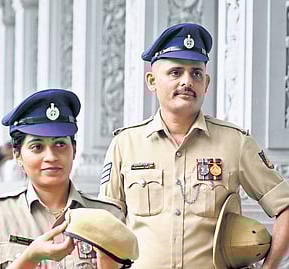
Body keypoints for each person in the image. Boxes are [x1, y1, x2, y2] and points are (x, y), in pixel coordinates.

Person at [98, 22, 289, 269]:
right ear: (152, 80)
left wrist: (270, 267)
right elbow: (104, 228)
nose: (187, 81)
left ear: (206, 83)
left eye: (196, 73)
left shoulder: (235, 143)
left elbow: (284, 207)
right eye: (176, 72)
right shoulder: (125, 144)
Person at [0, 89, 127, 268]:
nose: (51, 156)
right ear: (17, 155)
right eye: (37, 147)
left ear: (74, 150)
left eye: (60, 144)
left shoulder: (107, 216)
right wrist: (29, 258)